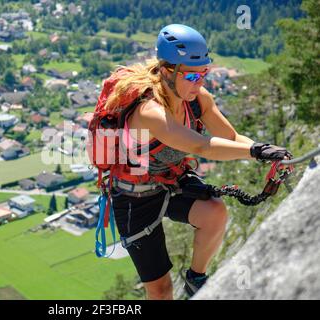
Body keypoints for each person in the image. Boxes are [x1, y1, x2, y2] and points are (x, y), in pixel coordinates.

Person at [102, 24, 292, 300]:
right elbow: (201, 145)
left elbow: (230, 136)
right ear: (167, 71)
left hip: (170, 181)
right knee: (161, 290)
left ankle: (196, 279)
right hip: (135, 198)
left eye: (204, 73)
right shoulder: (149, 111)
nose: (200, 82)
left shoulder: (197, 99)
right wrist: (257, 151)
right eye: (192, 75)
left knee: (214, 213)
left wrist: (267, 152)